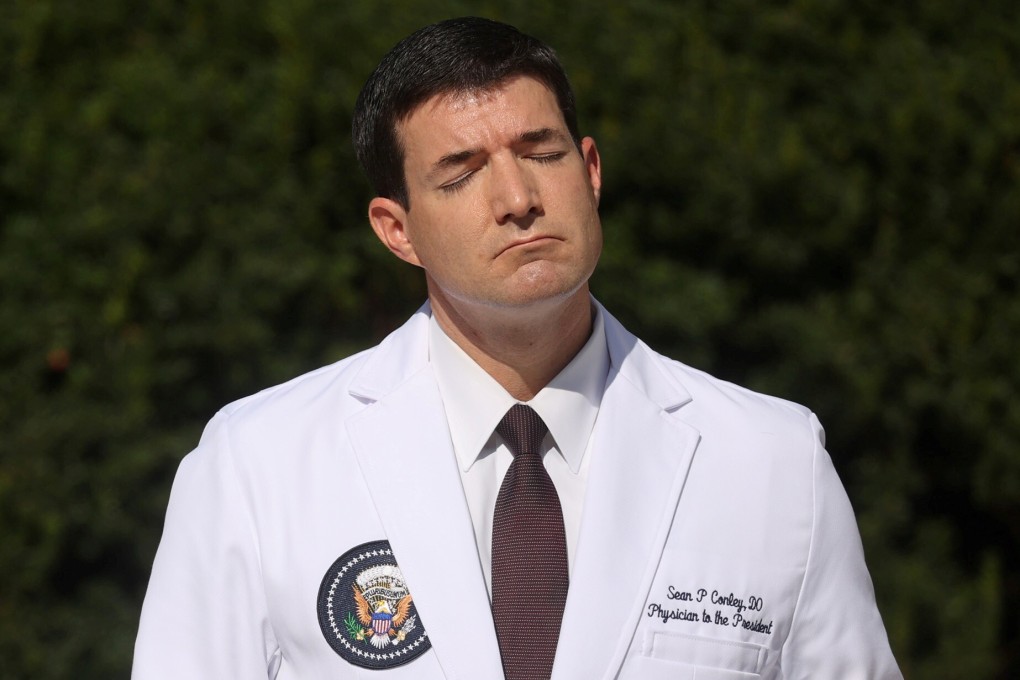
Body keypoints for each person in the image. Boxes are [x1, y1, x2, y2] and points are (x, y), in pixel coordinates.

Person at [133, 17, 902, 680]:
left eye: (541, 153)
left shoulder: (774, 462)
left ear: (591, 171)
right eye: (461, 173)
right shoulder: (258, 465)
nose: (518, 200)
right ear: (397, 230)